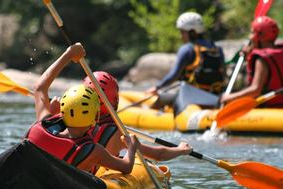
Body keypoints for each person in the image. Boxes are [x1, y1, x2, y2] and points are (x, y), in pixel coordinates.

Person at [25, 43, 140, 175]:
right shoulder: (93, 151)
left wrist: (68, 55)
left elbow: (40, 88)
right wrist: (131, 147)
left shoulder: (42, 124)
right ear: (94, 118)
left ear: (63, 111)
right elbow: (126, 167)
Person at [84, 71, 192, 160]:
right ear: (114, 99)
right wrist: (180, 150)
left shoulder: (76, 123)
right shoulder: (117, 134)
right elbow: (158, 155)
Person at [147, 12, 225, 109]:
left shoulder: (187, 49)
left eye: (182, 32)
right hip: (215, 97)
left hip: (191, 97)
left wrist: (157, 87)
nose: (181, 36)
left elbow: (174, 75)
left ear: (192, 32)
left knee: (159, 100)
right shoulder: (217, 49)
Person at [221, 16, 283, 107]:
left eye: (252, 32)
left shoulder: (262, 59)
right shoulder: (279, 51)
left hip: (269, 109)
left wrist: (229, 97)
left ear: (261, 36)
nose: (250, 37)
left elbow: (255, 90)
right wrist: (250, 55)